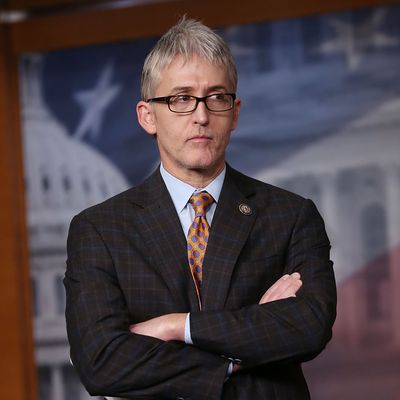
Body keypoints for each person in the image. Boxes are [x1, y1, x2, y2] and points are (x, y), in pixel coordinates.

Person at [64, 17, 336, 400]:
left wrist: (178, 327)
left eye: (217, 97)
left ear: (235, 112)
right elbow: (101, 361)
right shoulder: (99, 230)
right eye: (180, 98)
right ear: (147, 116)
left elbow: (308, 327)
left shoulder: (291, 216)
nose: (201, 115)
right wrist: (240, 353)